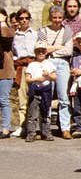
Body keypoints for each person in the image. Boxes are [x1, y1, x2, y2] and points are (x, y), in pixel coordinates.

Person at [37, 5, 73, 138]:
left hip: (63, 63)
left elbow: (68, 50)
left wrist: (51, 49)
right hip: (48, 63)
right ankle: (45, 128)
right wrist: (59, 46)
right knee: (46, 95)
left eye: (59, 17)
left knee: (64, 97)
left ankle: (65, 128)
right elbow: (42, 49)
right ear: (50, 17)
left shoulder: (67, 31)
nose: (57, 20)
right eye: (54, 17)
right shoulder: (43, 30)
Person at [24, 41, 57, 142]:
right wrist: (36, 79)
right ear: (35, 53)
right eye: (38, 51)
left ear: (46, 52)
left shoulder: (49, 64)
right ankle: (31, 133)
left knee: (46, 113)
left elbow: (55, 78)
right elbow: (27, 79)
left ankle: (47, 132)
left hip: (46, 92)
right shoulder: (32, 65)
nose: (41, 53)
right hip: (35, 91)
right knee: (32, 115)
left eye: (43, 51)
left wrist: (48, 75)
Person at [11, 8, 36, 137]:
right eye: (21, 18)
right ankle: (22, 126)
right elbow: (12, 52)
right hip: (21, 67)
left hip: (33, 65)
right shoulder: (14, 36)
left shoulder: (35, 34)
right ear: (18, 20)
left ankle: (35, 126)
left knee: (35, 97)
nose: (24, 20)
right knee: (22, 99)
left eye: (26, 18)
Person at [0, 9, 14, 138]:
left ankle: (6, 129)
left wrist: (2, 23)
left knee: (3, 100)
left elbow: (7, 38)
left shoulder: (8, 31)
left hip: (4, 70)